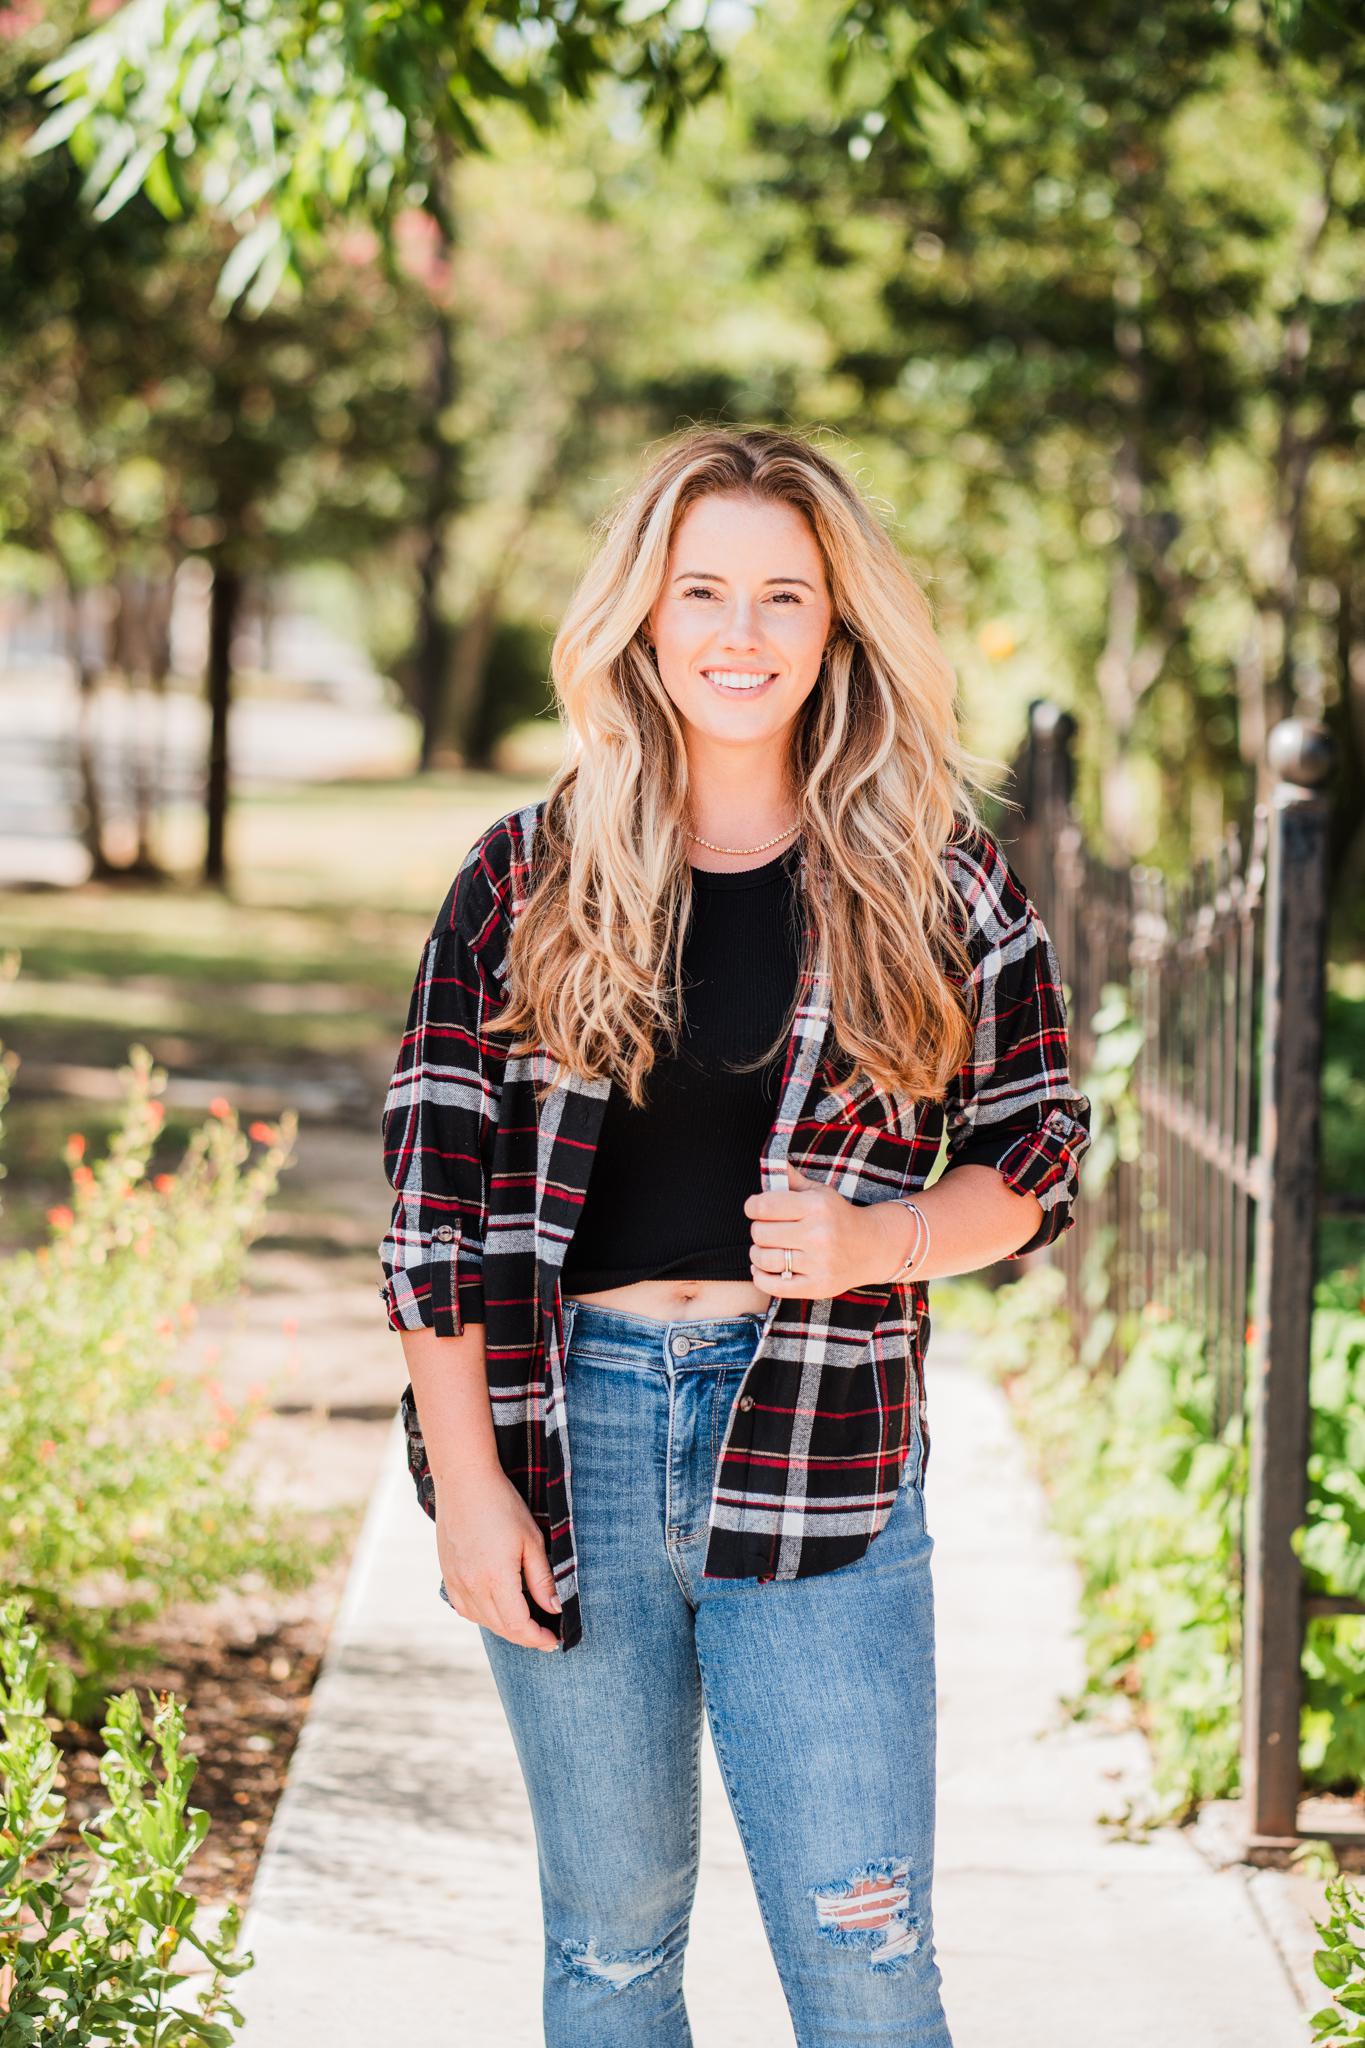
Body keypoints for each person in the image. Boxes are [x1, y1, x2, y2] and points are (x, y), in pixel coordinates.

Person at [378, 424, 1092, 2046]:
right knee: (611, 1953)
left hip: (823, 1447)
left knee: (862, 1953)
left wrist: (877, 1244)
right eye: (701, 589)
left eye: (784, 596)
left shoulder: (932, 883)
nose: (739, 634)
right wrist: (469, 1492)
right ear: (639, 614)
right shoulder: (521, 880)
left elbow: (1039, 1156)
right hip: (574, 1448)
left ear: (837, 626)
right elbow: (430, 1216)